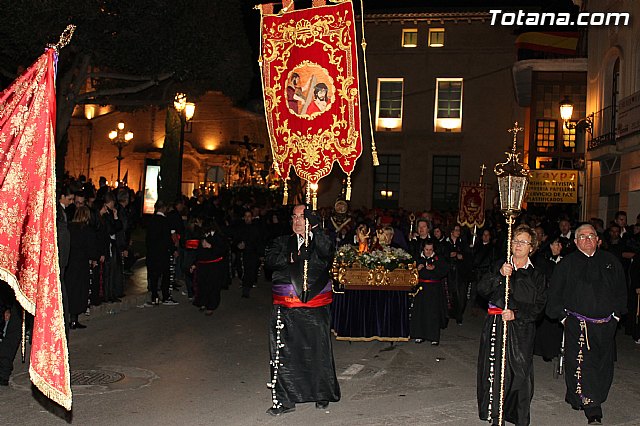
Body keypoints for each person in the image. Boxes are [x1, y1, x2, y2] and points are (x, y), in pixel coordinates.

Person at [546, 224, 627, 425]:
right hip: (578, 325)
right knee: (584, 365)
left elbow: (621, 290)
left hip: (606, 325)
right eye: (582, 236)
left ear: (598, 239)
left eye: (592, 235)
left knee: (602, 366)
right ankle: (593, 409)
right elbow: (555, 293)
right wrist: (563, 318)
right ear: (575, 242)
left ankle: (580, 396)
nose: (588, 239)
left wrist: (616, 316)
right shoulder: (567, 264)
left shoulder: (610, 261)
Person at [264, 204, 340, 416]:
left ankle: (321, 393)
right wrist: (295, 258)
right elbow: (270, 262)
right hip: (286, 308)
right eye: (295, 217)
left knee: (317, 350)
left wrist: (315, 231)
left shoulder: (319, 242)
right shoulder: (281, 242)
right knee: (285, 354)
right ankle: (285, 400)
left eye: (303, 217)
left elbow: (328, 252)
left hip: (314, 308)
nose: (298, 221)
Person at [477, 224, 547, 426]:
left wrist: (516, 314)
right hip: (497, 326)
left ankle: (518, 416)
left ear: (532, 247)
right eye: (515, 241)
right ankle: (497, 416)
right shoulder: (501, 266)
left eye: (523, 242)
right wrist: (499, 274)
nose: (518, 245)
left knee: (520, 375)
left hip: (522, 329)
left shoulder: (537, 275)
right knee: (498, 372)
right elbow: (482, 290)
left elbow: (539, 307)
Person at [411, 242, 449, 345]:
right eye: (426, 249)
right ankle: (419, 335)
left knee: (433, 313)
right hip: (421, 290)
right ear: (423, 249)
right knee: (420, 311)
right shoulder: (418, 259)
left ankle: (433, 337)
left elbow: (445, 270)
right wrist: (417, 269)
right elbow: (411, 272)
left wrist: (434, 269)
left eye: (430, 250)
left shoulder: (438, 259)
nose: (428, 252)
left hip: (434, 290)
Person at [145, 200, 179, 306]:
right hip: (163, 252)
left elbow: (148, 238)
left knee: (154, 275)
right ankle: (166, 296)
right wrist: (173, 250)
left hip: (152, 252)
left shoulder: (151, 221)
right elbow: (167, 239)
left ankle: (154, 296)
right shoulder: (165, 221)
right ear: (163, 208)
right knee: (166, 275)